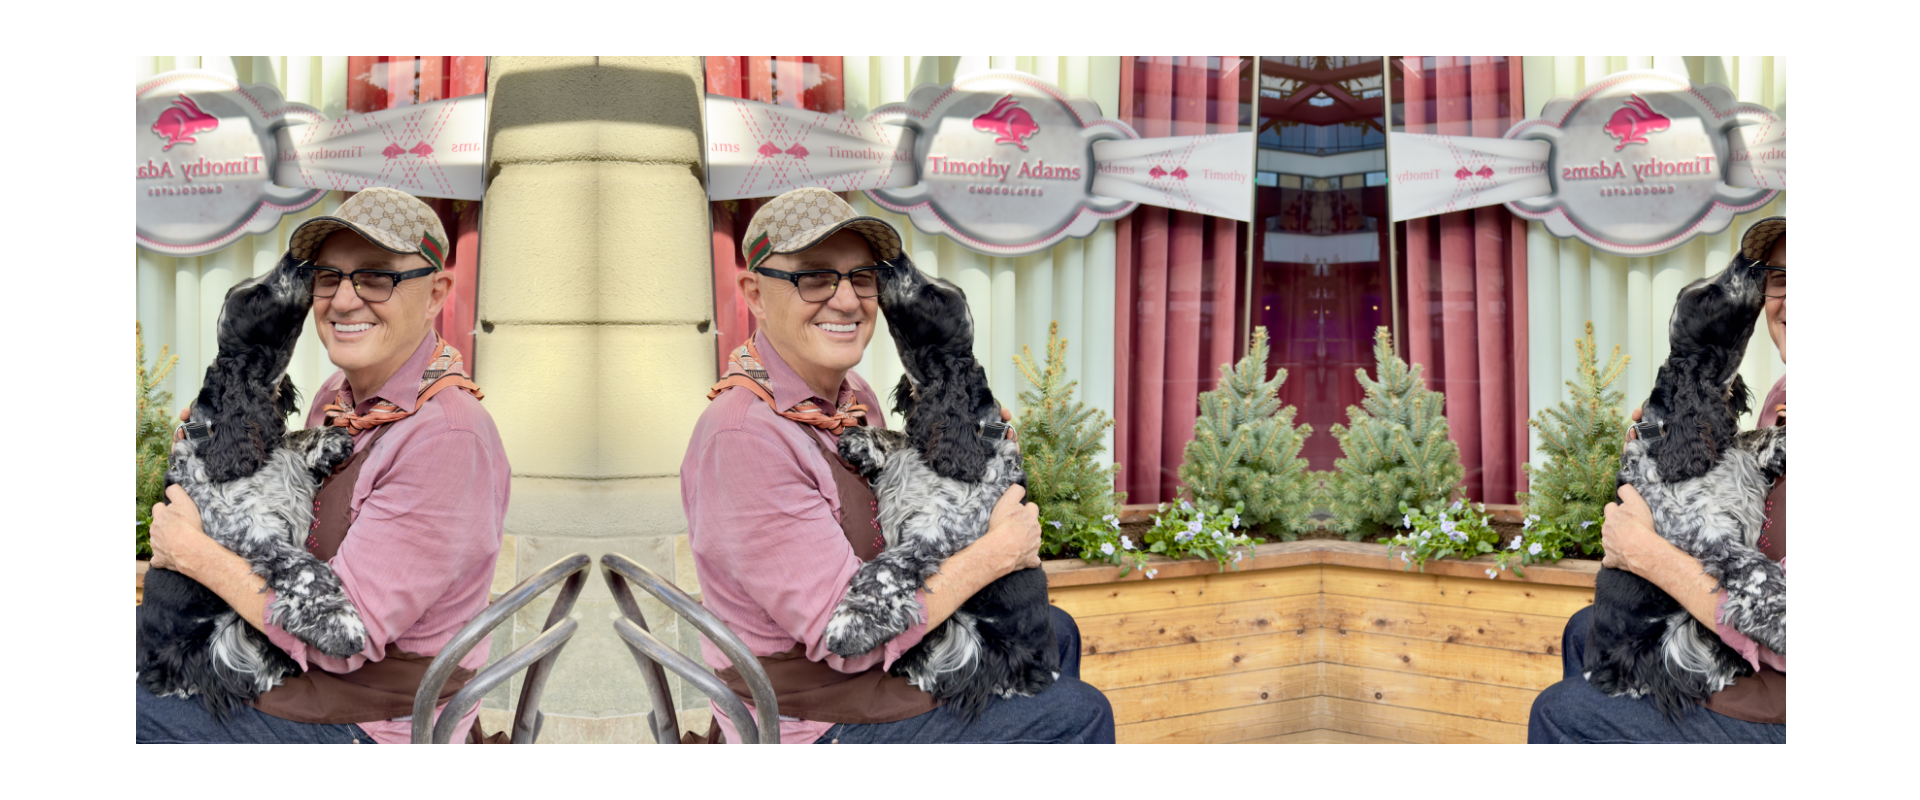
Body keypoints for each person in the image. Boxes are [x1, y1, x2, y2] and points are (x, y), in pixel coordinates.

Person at [680, 187, 1115, 744]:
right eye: (814, 276)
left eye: (861, 278)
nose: (845, 301)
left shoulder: (852, 394)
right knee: (1079, 712)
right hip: (815, 716)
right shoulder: (744, 439)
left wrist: (992, 449)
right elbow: (848, 634)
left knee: (1057, 633)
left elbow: (910, 509)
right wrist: (997, 554)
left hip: (871, 666)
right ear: (755, 295)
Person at [139, 187, 510, 744]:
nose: (342, 301)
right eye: (329, 278)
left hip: (366, 721)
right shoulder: (339, 397)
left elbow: (341, 638)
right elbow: (279, 528)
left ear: (436, 294)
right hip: (284, 669)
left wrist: (193, 554)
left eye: (376, 277)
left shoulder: (446, 439)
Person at [1528, 216, 1787, 743]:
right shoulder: (1783, 396)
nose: (1793, 300)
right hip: (1753, 632)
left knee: (1561, 710)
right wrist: (1651, 444)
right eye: (1782, 278)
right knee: (1585, 630)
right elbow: (1738, 485)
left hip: (1784, 685)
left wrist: (1644, 551)